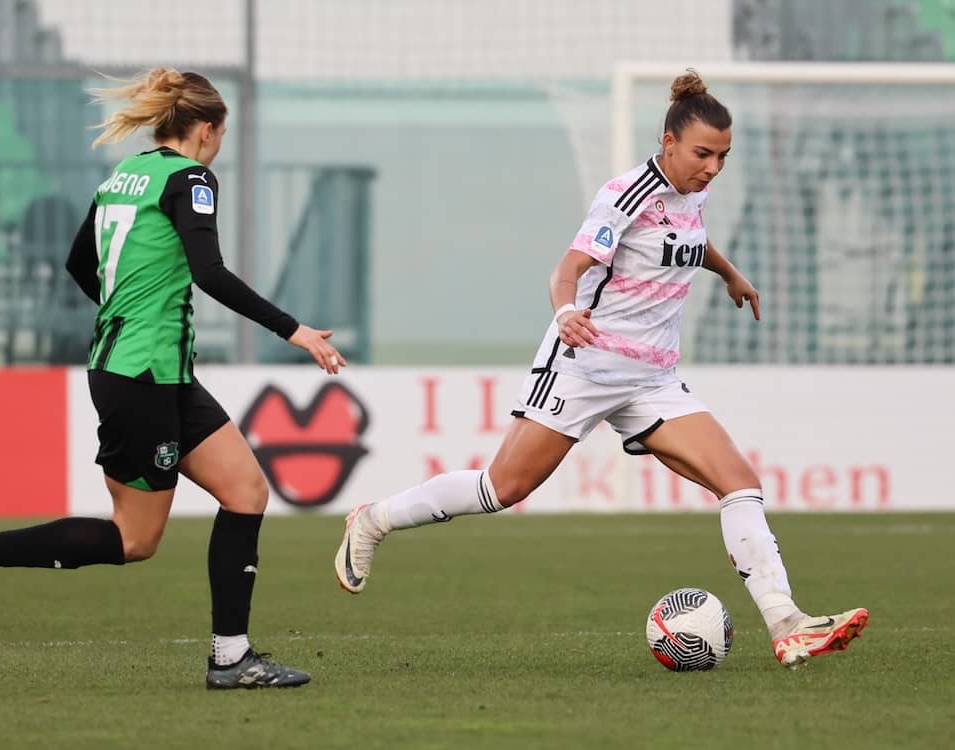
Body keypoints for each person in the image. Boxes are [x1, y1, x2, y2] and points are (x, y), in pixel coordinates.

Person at [334, 70, 867, 669]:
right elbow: (568, 267)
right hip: (584, 365)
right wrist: (565, 311)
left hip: (653, 379)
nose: (713, 167)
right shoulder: (625, 195)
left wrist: (728, 272)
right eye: (702, 154)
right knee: (502, 488)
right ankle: (374, 518)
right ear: (667, 142)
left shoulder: (694, 190)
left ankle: (786, 622)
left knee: (739, 482)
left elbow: (691, 236)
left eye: (723, 155)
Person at [0, 68, 346, 690]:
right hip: (140, 375)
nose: (219, 146)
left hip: (155, 371)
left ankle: (231, 657)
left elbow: (79, 262)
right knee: (135, 539)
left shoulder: (125, 176)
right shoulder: (190, 177)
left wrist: (125, 311)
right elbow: (209, 272)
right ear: (207, 129)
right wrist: (293, 330)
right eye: (221, 134)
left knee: (246, 492)